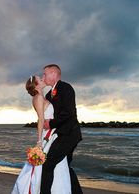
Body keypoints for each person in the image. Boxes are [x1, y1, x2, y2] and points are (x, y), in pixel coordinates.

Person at [12, 75, 71, 194]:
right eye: (40, 79)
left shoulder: (42, 97)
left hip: (53, 134)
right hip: (47, 136)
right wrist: (39, 141)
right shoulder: (38, 97)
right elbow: (40, 120)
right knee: (50, 166)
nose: (43, 79)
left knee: (56, 166)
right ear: (36, 84)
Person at [41, 64, 82, 194]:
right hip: (61, 135)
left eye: (45, 74)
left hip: (69, 135)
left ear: (53, 74)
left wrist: (51, 124)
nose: (43, 77)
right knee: (65, 166)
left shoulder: (66, 88)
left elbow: (67, 113)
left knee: (47, 164)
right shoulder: (48, 94)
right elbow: (44, 108)